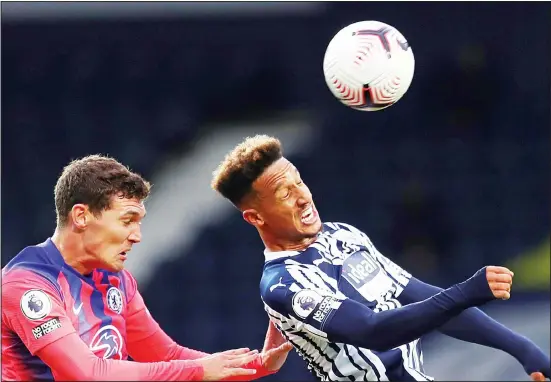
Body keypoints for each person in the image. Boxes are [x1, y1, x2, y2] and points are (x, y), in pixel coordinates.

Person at [210, 135, 551, 382]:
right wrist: (467, 290)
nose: (303, 197)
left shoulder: (343, 234)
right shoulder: (283, 285)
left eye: (300, 182)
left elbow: (422, 297)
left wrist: (521, 347)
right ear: (256, 217)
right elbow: (373, 331)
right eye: (285, 193)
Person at [2, 155, 292, 381]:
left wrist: (257, 365)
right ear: (81, 216)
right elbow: (86, 373)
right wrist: (199, 371)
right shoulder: (28, 285)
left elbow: (167, 356)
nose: (137, 235)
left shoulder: (116, 281)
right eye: (127, 220)